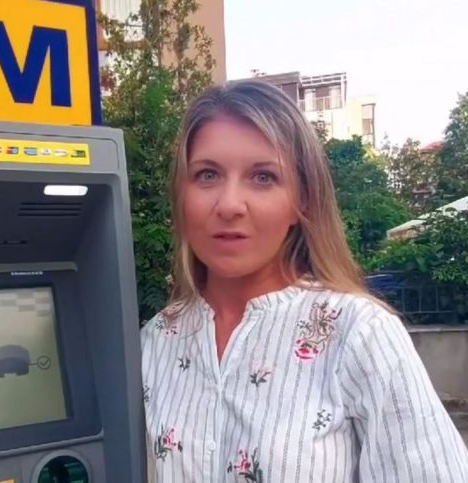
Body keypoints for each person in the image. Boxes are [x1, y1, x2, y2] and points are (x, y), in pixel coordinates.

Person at [140, 81, 468, 482]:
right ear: (182, 193)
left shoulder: (359, 335)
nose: (229, 205)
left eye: (263, 177)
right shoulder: (155, 343)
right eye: (207, 175)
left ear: (303, 200)